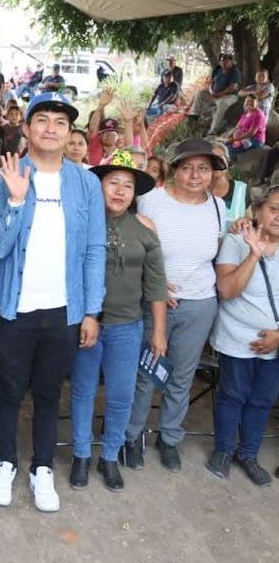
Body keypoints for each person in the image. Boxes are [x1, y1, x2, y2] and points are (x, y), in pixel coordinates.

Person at [0, 92, 106, 513]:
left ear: (70, 131)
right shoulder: (4, 175)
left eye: (60, 121)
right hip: (14, 308)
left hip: (64, 311)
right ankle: (4, 462)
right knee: (10, 390)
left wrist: (92, 310)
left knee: (49, 393)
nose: (51, 127)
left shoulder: (86, 182)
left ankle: (41, 468)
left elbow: (94, 249)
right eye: (42, 119)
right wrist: (17, 201)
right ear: (26, 127)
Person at [124, 138, 227, 472]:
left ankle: (169, 438)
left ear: (213, 173)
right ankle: (131, 436)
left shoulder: (218, 207)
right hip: (153, 302)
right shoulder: (150, 201)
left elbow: (219, 250)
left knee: (181, 376)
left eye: (203, 168)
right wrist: (151, 284)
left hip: (200, 303)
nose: (195, 175)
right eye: (186, 167)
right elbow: (129, 245)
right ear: (173, 170)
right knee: (144, 372)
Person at [69, 152, 167, 492]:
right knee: (82, 390)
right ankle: (81, 454)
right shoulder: (82, 223)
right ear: (100, 185)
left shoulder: (144, 229)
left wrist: (159, 330)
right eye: (113, 183)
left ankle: (109, 455)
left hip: (128, 326)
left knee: (120, 395)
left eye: (128, 186)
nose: (120, 191)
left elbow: (155, 284)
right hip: (87, 324)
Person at [207, 188, 279, 485]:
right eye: (274, 208)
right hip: (237, 337)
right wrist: (254, 253)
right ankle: (223, 450)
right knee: (232, 395)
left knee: (262, 400)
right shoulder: (236, 242)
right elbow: (227, 290)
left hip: (275, 342)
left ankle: (248, 454)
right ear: (257, 211)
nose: (278, 216)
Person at [191, 53, 241, 136]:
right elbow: (211, 83)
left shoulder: (235, 71)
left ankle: (212, 131)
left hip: (229, 97)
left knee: (221, 105)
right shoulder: (218, 69)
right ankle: (194, 115)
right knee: (201, 93)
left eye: (226, 61)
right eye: (221, 61)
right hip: (215, 94)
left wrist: (219, 95)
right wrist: (211, 91)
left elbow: (232, 88)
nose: (223, 63)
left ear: (231, 61)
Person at [210, 142, 250, 222]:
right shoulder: (197, 191)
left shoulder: (241, 190)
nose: (216, 163)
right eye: (211, 159)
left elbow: (249, 222)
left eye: (220, 158)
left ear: (227, 162)